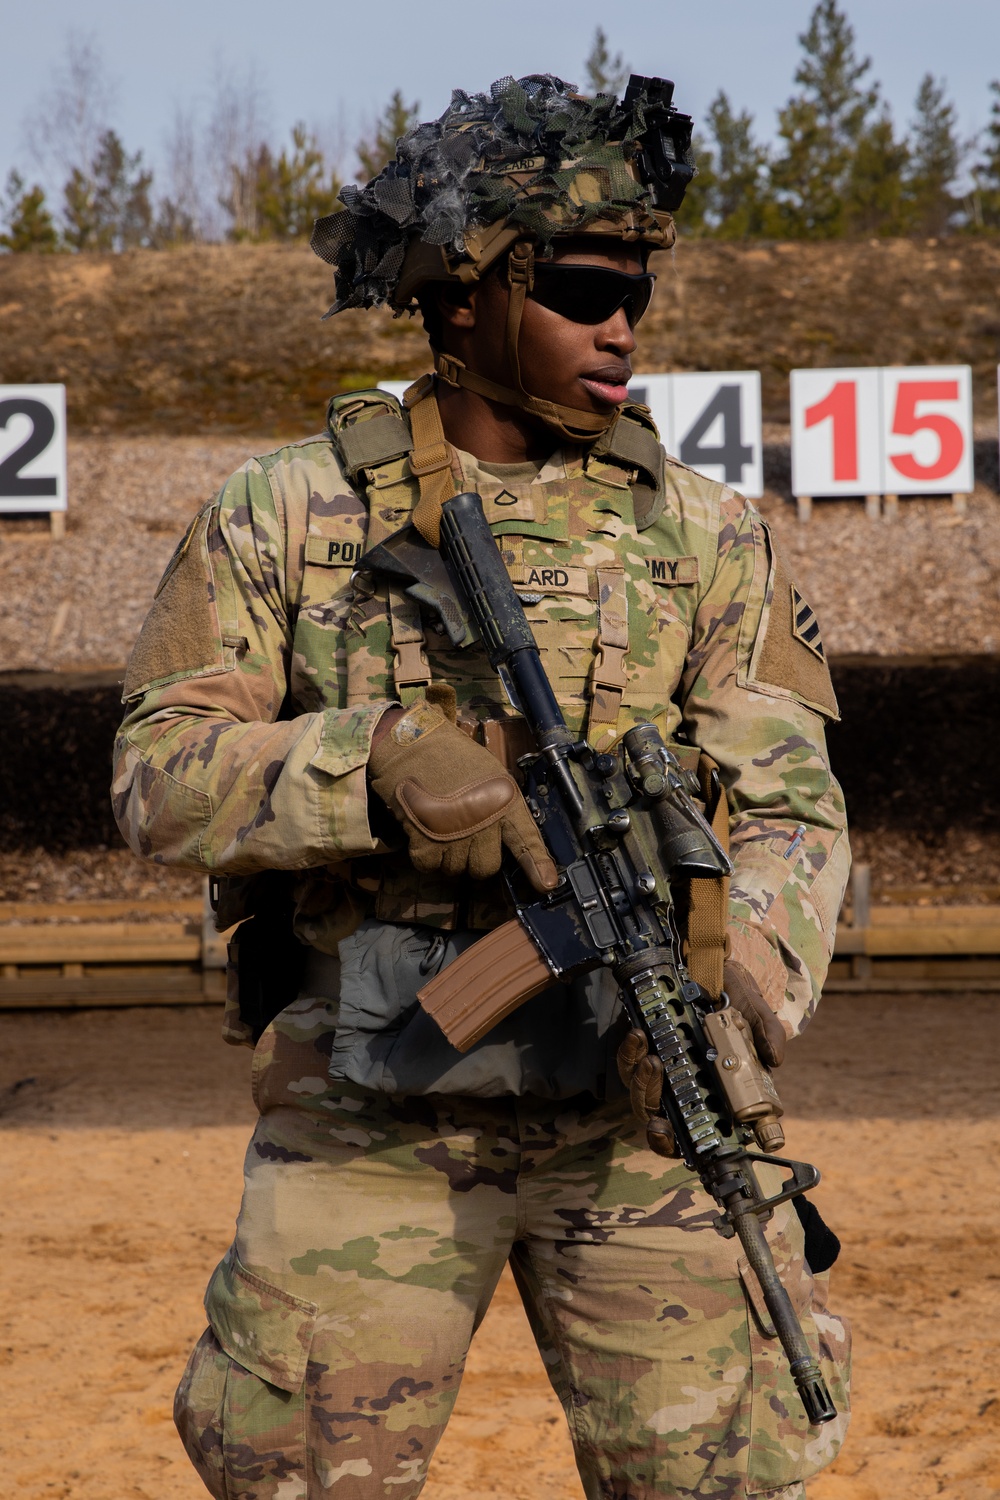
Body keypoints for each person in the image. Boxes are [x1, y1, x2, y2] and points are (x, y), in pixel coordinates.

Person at [112, 73, 851, 1500]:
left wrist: (730, 993)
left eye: (635, 287)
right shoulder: (287, 511)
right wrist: (364, 761)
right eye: (581, 286)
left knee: (725, 1480)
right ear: (463, 298)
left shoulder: (703, 536)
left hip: (641, 1115)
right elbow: (157, 773)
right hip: (371, 1125)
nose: (620, 325)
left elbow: (791, 809)